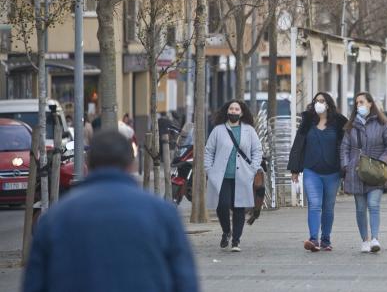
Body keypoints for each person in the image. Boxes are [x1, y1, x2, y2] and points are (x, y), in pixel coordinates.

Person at [22, 129, 198, 292]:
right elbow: (185, 282)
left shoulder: (54, 219)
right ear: (133, 165)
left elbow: (34, 284)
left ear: (87, 165)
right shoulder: (163, 214)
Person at [288, 92, 348, 252]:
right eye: (316, 101)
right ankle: (313, 239)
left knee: (328, 207)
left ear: (328, 104)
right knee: (314, 205)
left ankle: (326, 240)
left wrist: (346, 169)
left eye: (322, 101)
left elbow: (346, 146)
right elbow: (298, 144)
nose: (318, 103)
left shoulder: (339, 122)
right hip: (311, 170)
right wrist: (295, 169)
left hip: (332, 172)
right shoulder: (308, 121)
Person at [204, 99, 263, 252]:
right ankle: (226, 231)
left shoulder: (249, 130)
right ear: (227, 111)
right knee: (222, 205)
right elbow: (209, 151)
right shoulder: (218, 130)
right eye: (231, 109)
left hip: (243, 175)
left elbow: (257, 150)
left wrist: (253, 168)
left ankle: (236, 241)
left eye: (237, 109)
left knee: (239, 208)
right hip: (222, 176)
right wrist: (209, 170)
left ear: (242, 112)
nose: (234, 112)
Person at [341, 92, 387, 253]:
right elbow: (344, 147)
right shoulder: (351, 126)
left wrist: (383, 160)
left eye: (362, 102)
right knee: (360, 208)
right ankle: (365, 239)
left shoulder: (383, 123)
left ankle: (375, 238)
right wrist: (346, 165)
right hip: (356, 170)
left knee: (373, 204)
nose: (359, 106)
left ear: (371, 103)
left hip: (376, 170)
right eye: (357, 103)